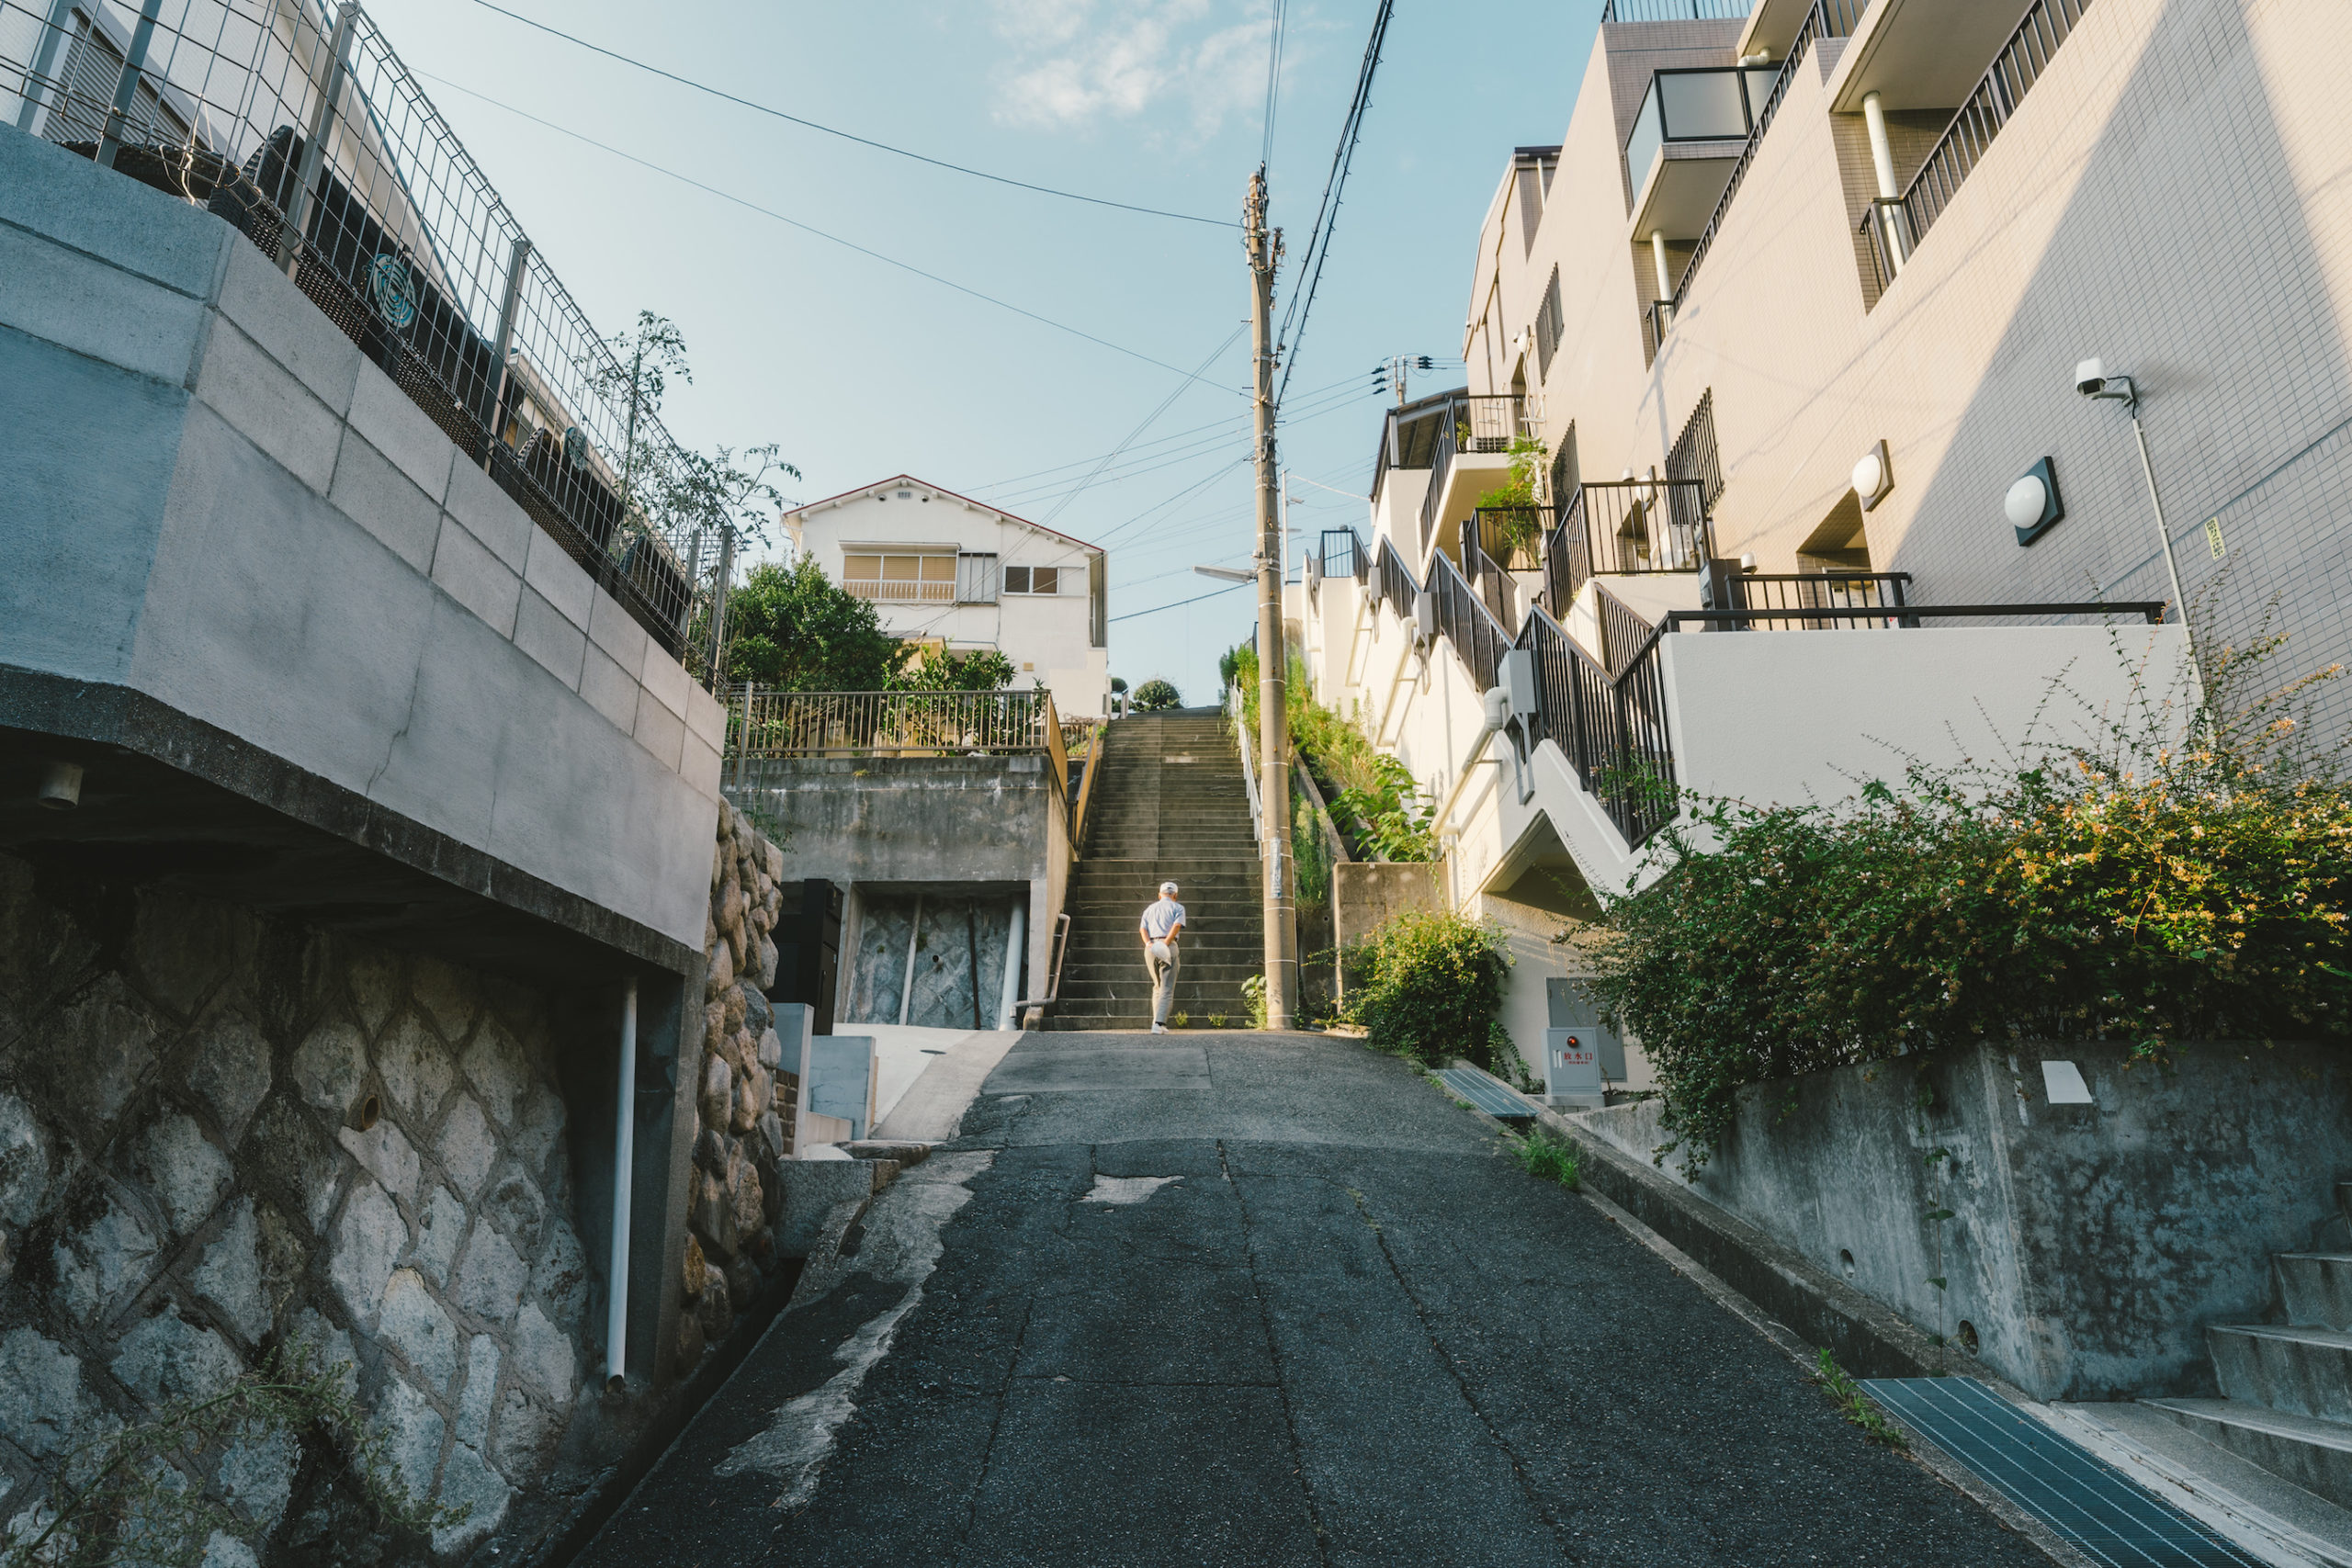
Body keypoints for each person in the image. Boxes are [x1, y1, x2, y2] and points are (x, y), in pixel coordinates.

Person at [1138, 881, 1185, 1033]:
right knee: (1167, 987)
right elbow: (1177, 925)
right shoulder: (1178, 907)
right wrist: (1165, 943)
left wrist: (1148, 944)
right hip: (1168, 945)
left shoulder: (1150, 909)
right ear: (1175, 895)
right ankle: (1159, 1023)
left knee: (1157, 987)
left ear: (1160, 895)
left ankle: (1156, 1022)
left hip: (1151, 947)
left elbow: (1142, 928)